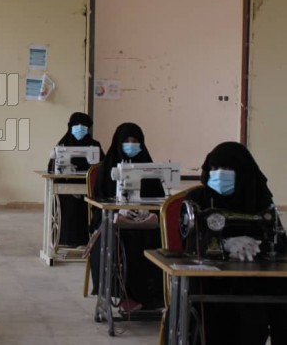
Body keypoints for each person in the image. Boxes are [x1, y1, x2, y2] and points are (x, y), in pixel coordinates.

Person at [182, 142, 287, 345]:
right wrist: (225, 244)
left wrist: (257, 245)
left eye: (228, 168)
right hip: (209, 284)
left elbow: (279, 240)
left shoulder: (260, 200)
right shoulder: (196, 200)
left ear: (243, 171)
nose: (220, 174)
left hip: (254, 282)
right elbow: (189, 243)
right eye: (214, 168)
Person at [89, 122, 164, 313]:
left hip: (144, 222)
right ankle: (126, 294)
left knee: (159, 239)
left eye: (135, 141)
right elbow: (98, 204)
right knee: (123, 240)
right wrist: (117, 212)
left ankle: (154, 295)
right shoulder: (107, 169)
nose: (131, 145)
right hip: (113, 221)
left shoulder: (149, 169)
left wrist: (148, 212)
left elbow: (158, 198)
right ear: (118, 142)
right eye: (127, 141)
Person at [48, 112, 104, 247]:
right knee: (69, 204)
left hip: (89, 188)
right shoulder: (62, 146)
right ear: (70, 126)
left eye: (83, 125)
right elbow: (52, 168)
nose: (80, 127)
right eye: (76, 124)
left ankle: (87, 240)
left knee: (89, 205)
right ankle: (65, 240)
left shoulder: (94, 146)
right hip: (66, 187)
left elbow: (101, 167)